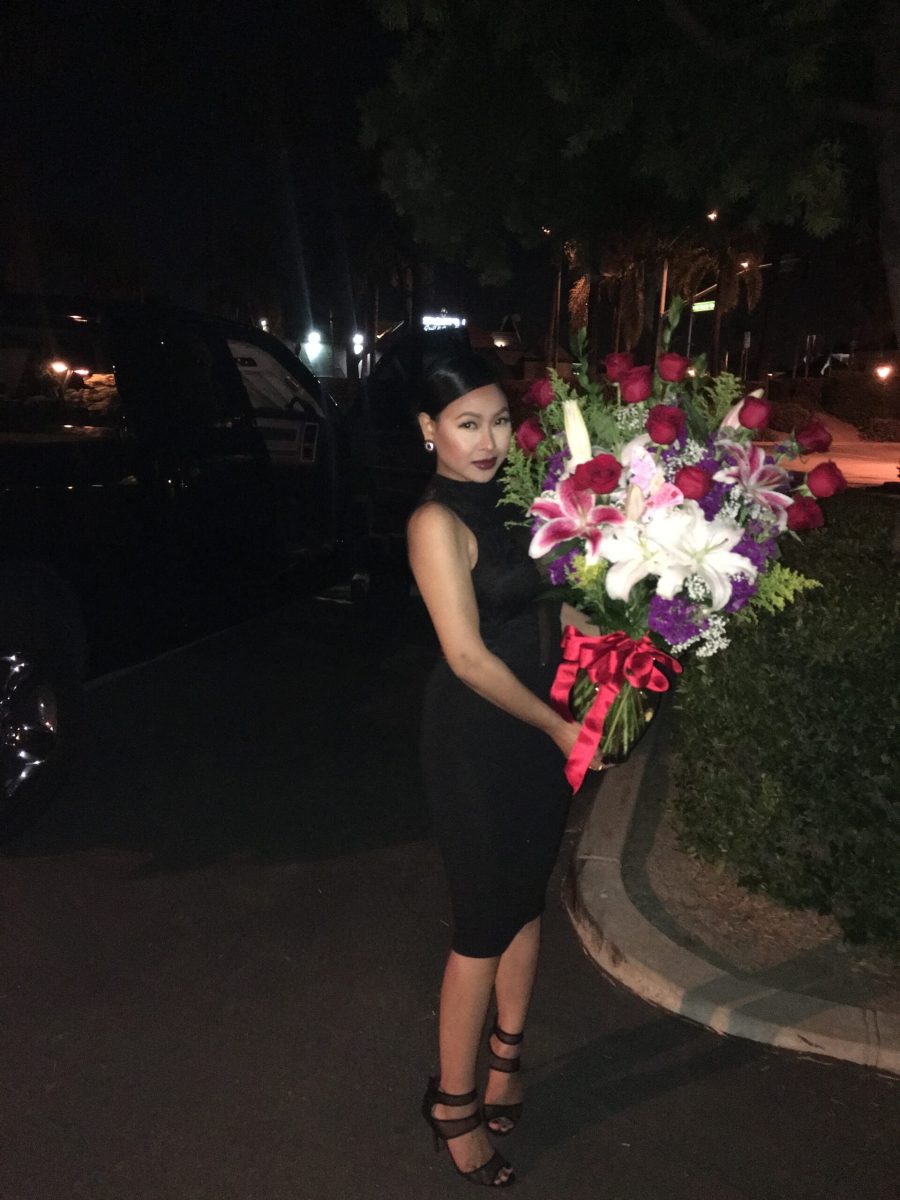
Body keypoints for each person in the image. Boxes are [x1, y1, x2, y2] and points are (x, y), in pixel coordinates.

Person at [408, 353, 602, 1188]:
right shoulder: (435, 522)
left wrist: (622, 631)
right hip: (480, 738)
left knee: (526, 898)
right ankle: (452, 1104)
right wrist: (560, 727)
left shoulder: (522, 496)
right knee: (483, 925)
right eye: (465, 424)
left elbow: (559, 600)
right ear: (429, 430)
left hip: (546, 725)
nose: (486, 441)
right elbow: (466, 655)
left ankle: (505, 1061)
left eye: (496, 421)